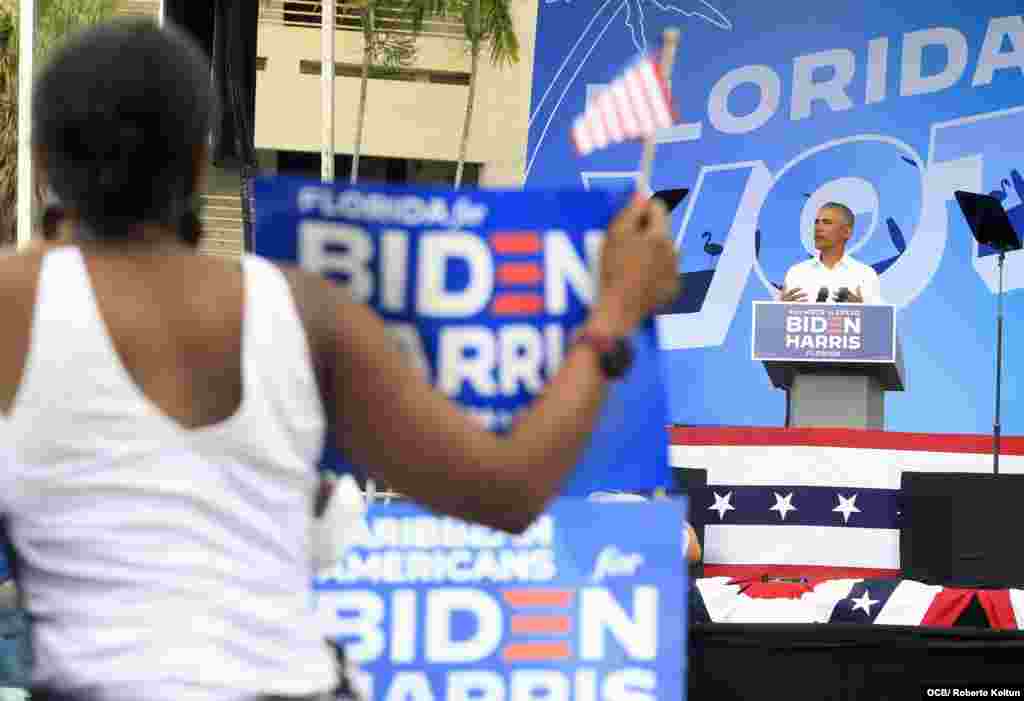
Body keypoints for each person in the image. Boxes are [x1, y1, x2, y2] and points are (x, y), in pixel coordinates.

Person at [0, 20, 679, 701]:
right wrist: (612, 314)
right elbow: (506, 489)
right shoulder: (301, 311)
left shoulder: (13, 308)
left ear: (40, 164)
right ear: (199, 163)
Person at [779, 202, 883, 304]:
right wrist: (781, 309)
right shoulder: (796, 273)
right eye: (816, 222)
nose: (818, 228)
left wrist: (862, 310)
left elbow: (878, 319)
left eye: (826, 222)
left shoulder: (865, 275)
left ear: (846, 232)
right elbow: (777, 318)